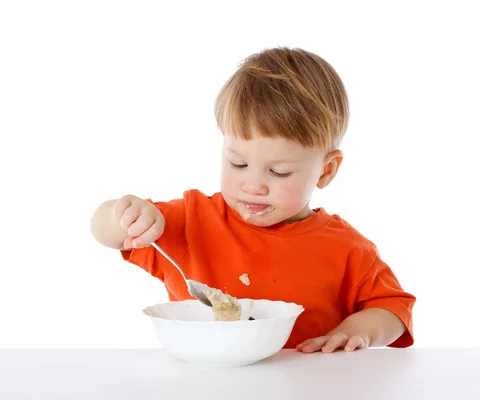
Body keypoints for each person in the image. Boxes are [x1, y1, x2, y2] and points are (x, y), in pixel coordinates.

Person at [90, 47, 416, 353]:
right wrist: (124, 215)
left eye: (279, 171)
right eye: (238, 164)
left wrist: (357, 329)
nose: (253, 186)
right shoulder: (191, 221)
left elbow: (393, 309)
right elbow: (106, 232)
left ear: (326, 170)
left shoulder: (347, 249)